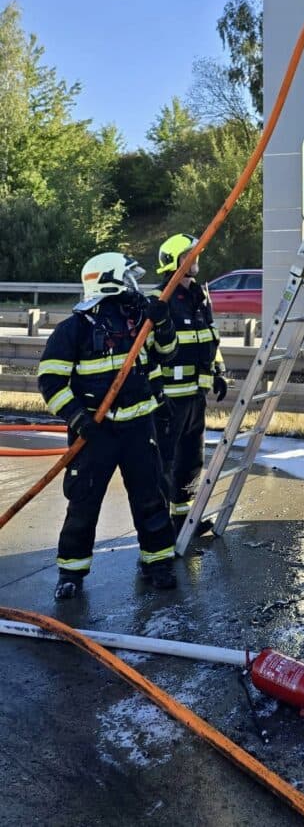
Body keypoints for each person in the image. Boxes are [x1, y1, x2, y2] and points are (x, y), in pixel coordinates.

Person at [38, 252, 179, 600]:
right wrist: (78, 419)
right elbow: (50, 382)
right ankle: (71, 573)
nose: (134, 285)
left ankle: (157, 563)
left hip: (137, 431)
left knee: (151, 498)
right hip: (95, 434)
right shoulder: (75, 329)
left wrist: (162, 324)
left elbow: (166, 355)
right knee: (83, 504)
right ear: (109, 279)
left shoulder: (138, 322)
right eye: (127, 277)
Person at [152, 233, 228, 540]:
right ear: (174, 262)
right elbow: (148, 350)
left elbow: (210, 338)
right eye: (189, 255)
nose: (195, 259)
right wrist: (156, 392)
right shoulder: (160, 301)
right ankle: (157, 530)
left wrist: (219, 371)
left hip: (196, 397)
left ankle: (183, 521)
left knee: (191, 462)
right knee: (164, 464)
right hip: (169, 399)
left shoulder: (199, 296)